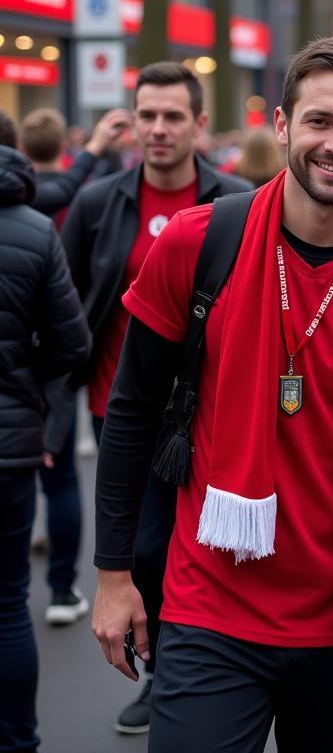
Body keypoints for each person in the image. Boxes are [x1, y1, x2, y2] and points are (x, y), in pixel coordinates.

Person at [91, 37, 333, 753]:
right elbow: (132, 411)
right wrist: (113, 575)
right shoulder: (198, 243)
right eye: (319, 122)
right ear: (280, 126)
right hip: (210, 612)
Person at [62, 61, 251, 735]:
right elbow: (70, 299)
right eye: (147, 115)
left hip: (207, 416)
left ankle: (185, 674)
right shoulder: (98, 203)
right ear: (131, 121)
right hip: (120, 407)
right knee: (140, 550)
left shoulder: (236, 203)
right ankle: (158, 668)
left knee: (191, 549)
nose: (159, 129)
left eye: (174, 116)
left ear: (200, 125)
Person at [18, 105, 131, 630]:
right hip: (39, 367)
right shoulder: (47, 213)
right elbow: (70, 323)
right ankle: (62, 587)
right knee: (59, 477)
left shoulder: (52, 198)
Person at [0, 114, 91, 753]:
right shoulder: (34, 231)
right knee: (8, 604)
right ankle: (18, 741)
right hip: (10, 440)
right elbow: (72, 344)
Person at [21, 106, 131, 219]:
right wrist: (97, 146)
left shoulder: (19, 195)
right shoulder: (84, 194)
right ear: (63, 145)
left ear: (23, 149)